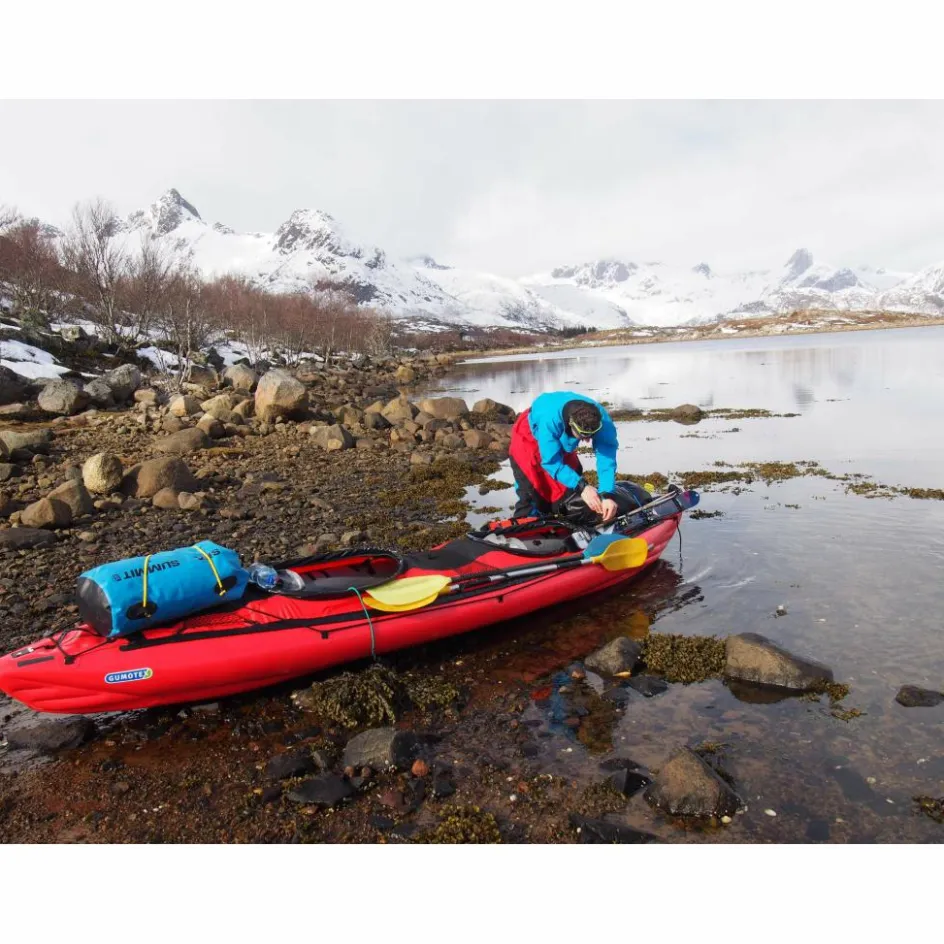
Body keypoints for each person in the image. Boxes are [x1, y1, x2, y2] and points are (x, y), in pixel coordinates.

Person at [508, 391, 619, 523]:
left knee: (570, 489)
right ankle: (523, 525)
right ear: (570, 424)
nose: (588, 441)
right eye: (583, 436)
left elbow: (606, 456)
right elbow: (551, 462)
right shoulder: (550, 420)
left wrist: (607, 494)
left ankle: (564, 525)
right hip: (529, 439)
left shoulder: (601, 420)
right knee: (531, 492)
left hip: (562, 437)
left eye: (592, 435)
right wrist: (582, 486)